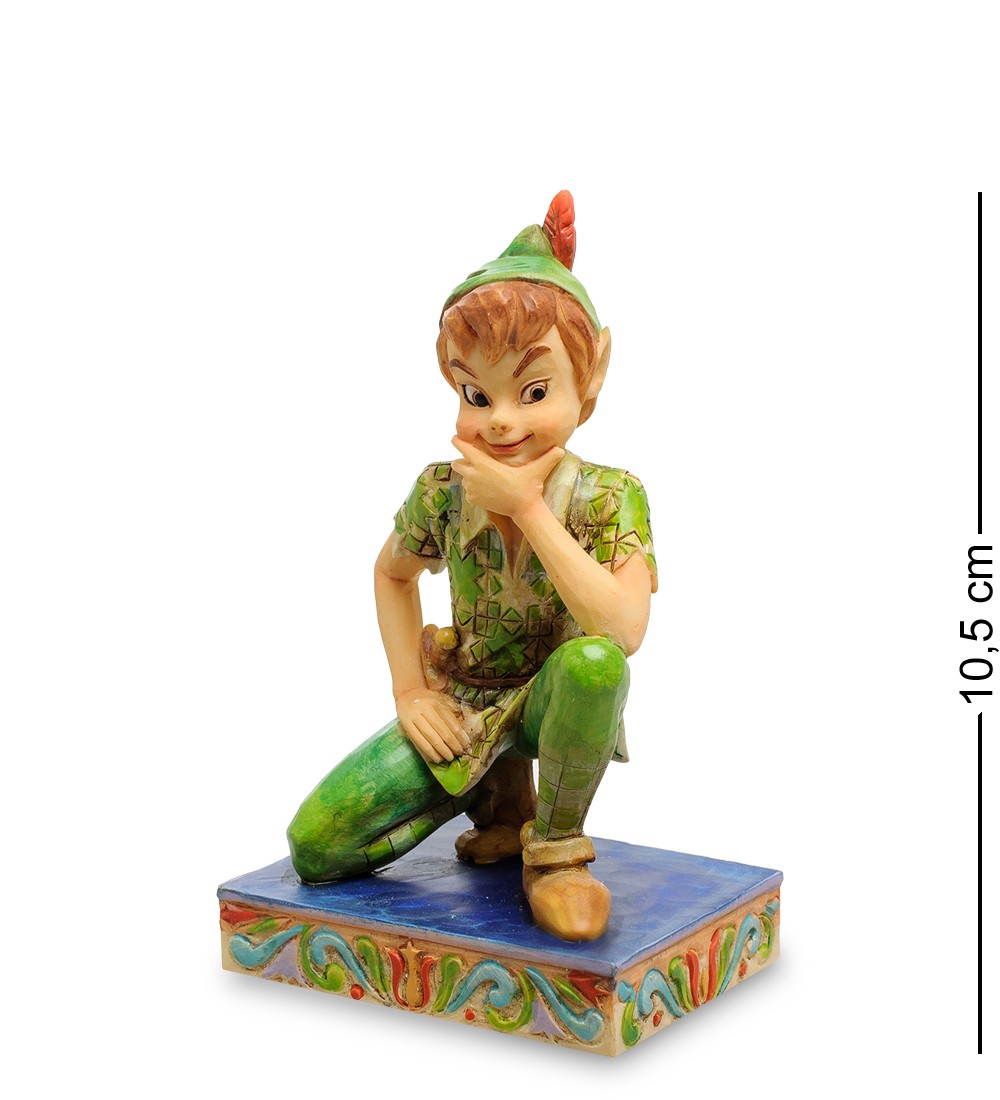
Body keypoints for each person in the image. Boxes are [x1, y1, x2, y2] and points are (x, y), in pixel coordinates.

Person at [287, 192, 657, 941]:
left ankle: (554, 849)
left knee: (592, 666)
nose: (502, 420)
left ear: (590, 378)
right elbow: (392, 574)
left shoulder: (611, 495)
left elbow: (622, 630)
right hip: (465, 708)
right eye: (476, 394)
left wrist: (527, 508)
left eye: (534, 391)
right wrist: (411, 692)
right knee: (317, 846)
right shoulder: (441, 492)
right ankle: (489, 795)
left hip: (554, 706)